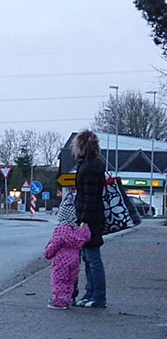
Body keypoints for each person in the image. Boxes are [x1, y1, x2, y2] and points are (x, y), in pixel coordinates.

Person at [72, 129, 107, 308]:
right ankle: (90, 293)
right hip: (90, 216)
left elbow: (91, 196)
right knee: (88, 257)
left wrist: (84, 220)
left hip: (90, 218)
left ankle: (98, 296)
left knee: (93, 258)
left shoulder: (89, 167)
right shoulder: (90, 164)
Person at [44, 194, 90, 309]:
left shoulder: (61, 230)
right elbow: (86, 236)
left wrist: (47, 253)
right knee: (70, 281)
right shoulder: (78, 231)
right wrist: (85, 227)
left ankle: (59, 302)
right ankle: (67, 299)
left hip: (61, 260)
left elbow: (54, 244)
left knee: (59, 281)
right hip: (75, 259)